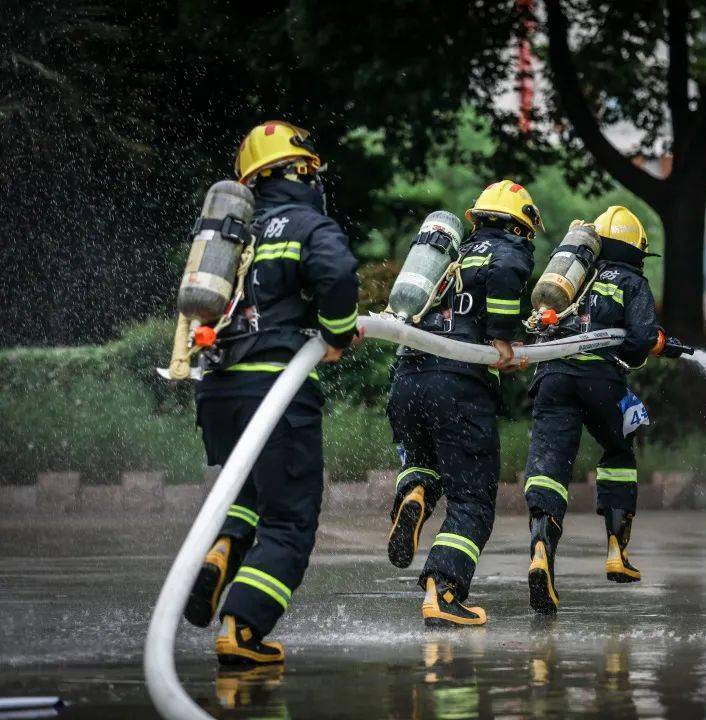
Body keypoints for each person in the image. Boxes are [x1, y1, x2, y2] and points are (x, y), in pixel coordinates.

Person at [183, 121, 361, 664]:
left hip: (218, 393)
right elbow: (337, 272)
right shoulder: (307, 222)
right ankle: (242, 630)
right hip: (276, 390)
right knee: (290, 520)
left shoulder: (234, 232)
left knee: (252, 497)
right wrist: (336, 333)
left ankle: (222, 549)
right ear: (301, 170)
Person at [385, 180, 539, 627]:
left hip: (409, 379)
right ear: (521, 227)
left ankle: (414, 492)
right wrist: (504, 339)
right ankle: (444, 592)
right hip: (459, 385)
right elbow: (507, 278)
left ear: (476, 219)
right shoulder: (507, 251)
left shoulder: (449, 256)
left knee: (423, 459)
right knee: (472, 500)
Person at [522, 206, 674, 615]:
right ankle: (615, 551)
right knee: (619, 451)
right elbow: (640, 339)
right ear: (633, 250)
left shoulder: (570, 279)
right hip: (602, 383)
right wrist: (654, 343)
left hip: (552, 376)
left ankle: (540, 548)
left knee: (549, 468)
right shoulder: (632, 280)